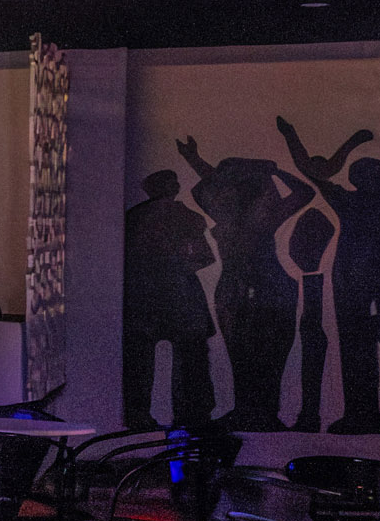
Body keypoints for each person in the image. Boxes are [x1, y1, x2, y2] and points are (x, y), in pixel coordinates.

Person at [279, 105, 380, 436]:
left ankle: (373, 416)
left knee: (368, 345)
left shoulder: (353, 198)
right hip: (375, 273)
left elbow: (312, 173)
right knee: (379, 344)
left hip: (361, 274)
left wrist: (291, 135)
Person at [178, 137, 312, 432]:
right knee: (243, 352)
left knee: (263, 351)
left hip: (262, 286)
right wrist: (271, 172)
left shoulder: (250, 215)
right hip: (243, 287)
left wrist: (271, 172)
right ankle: (251, 411)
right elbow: (204, 190)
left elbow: (304, 192)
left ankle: (262, 413)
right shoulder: (234, 213)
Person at [120, 168, 219, 429]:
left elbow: (204, 257)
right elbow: (204, 256)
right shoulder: (185, 217)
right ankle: (192, 414)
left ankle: (140, 415)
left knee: (143, 356)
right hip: (176, 292)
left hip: (146, 292)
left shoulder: (135, 217)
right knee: (190, 353)